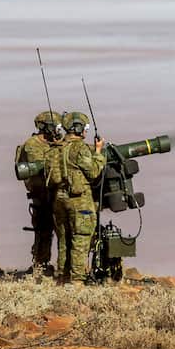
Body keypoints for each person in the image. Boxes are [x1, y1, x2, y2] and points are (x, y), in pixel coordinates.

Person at [49, 111, 106, 284]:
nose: (86, 132)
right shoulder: (80, 149)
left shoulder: (55, 148)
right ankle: (77, 282)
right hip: (78, 200)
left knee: (64, 240)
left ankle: (62, 278)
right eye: (85, 128)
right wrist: (98, 152)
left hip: (59, 198)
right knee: (81, 238)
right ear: (78, 128)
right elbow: (94, 171)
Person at [16, 111, 63, 278]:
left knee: (63, 232)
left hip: (57, 195)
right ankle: (40, 266)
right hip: (42, 195)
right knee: (43, 231)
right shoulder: (32, 145)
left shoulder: (57, 143)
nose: (58, 129)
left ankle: (64, 267)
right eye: (55, 126)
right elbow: (43, 167)